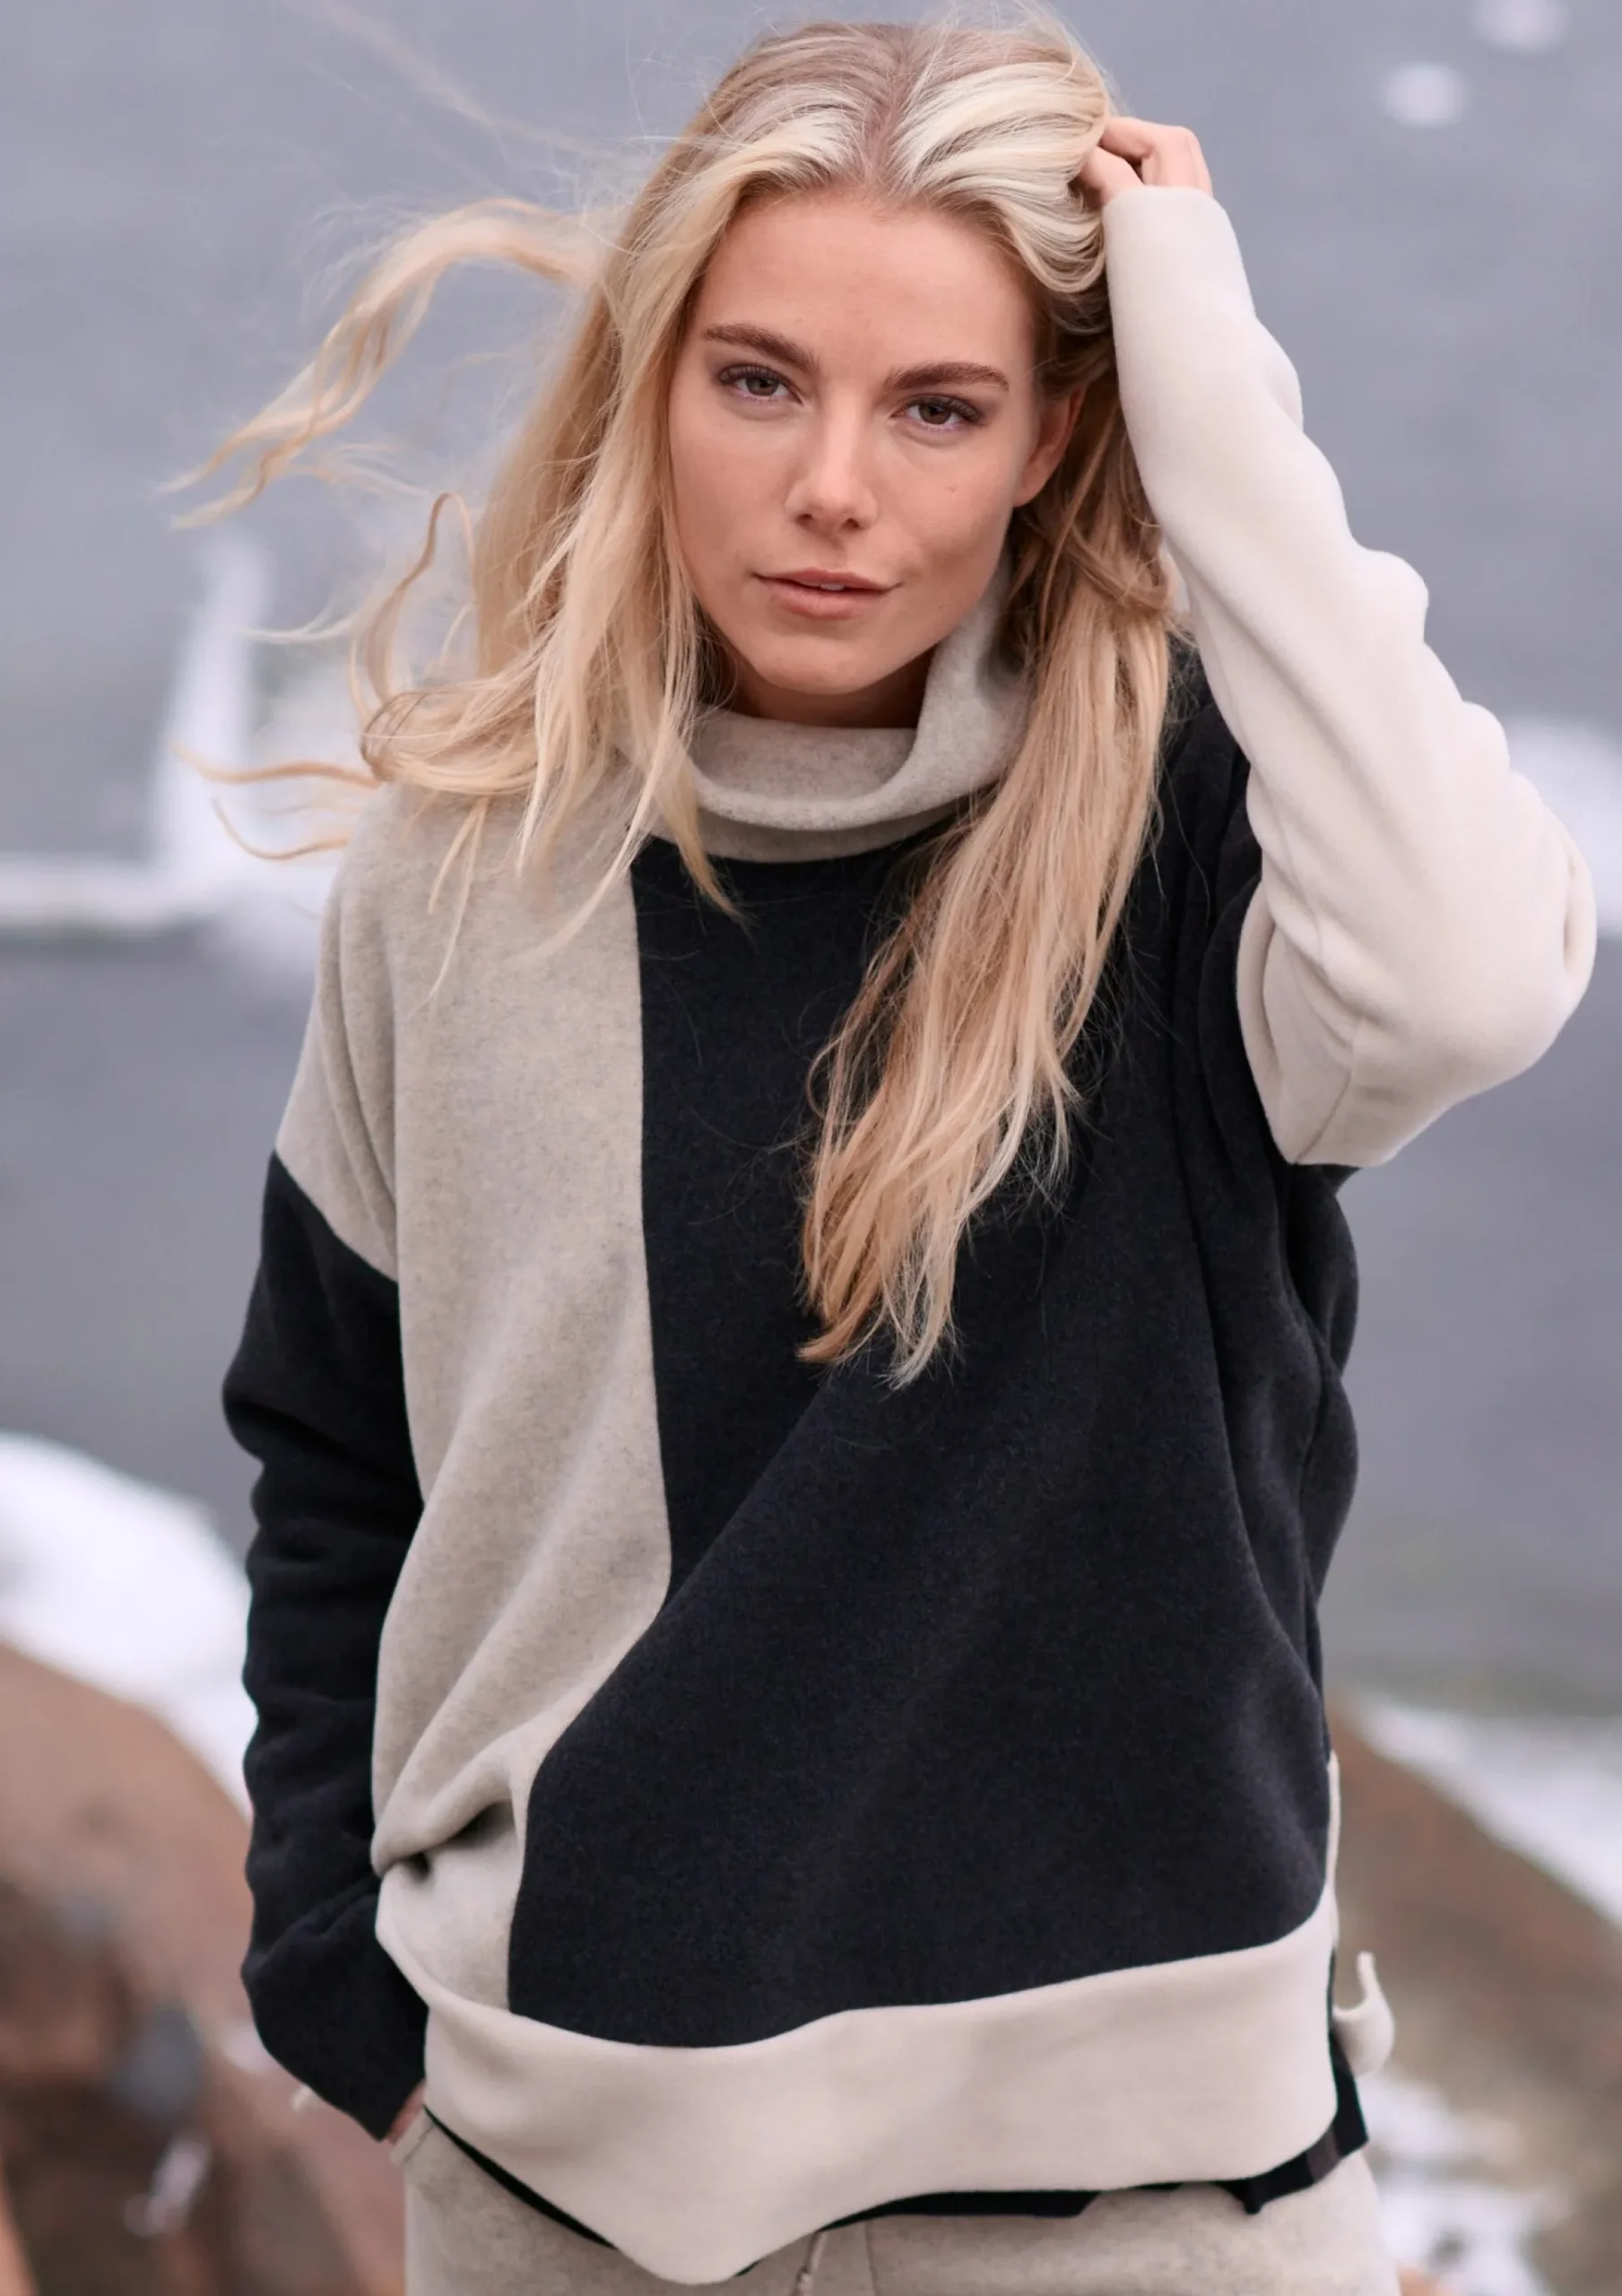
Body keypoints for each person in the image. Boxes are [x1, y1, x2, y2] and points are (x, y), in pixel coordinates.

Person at [206, 11, 1596, 2293]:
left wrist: (1212, 391)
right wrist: (332, 1972)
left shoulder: (1207, 847)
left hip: (1161, 2222)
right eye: (759, 379)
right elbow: (338, 1451)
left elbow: (1467, 976)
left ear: (1062, 433)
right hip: (567, 2194)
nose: (831, 486)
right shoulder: (461, 872)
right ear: (653, 382)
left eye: (939, 405)